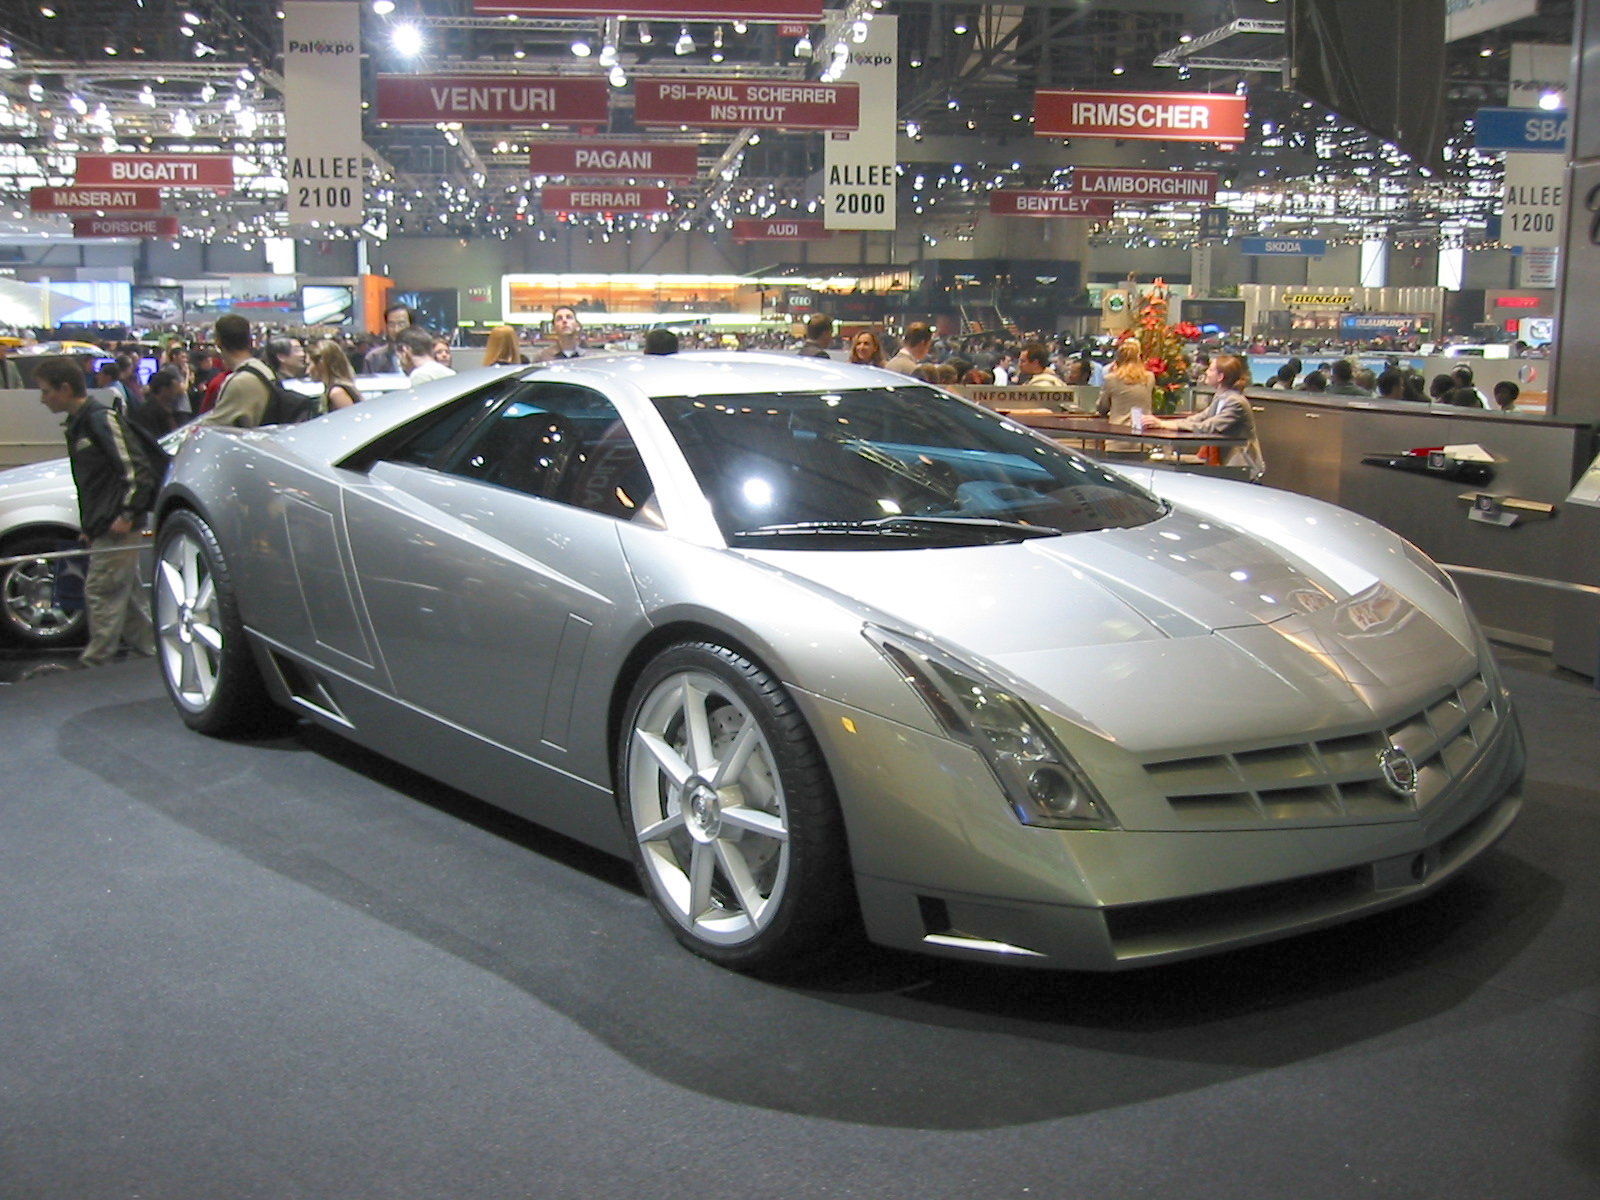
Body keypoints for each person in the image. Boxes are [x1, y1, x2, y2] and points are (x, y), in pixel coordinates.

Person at [34, 356, 157, 668]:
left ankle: (96, 663)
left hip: (116, 523)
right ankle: (150, 654)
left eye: (46, 391)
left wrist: (127, 514)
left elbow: (137, 471)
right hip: (107, 522)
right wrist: (90, 525)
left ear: (65, 389)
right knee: (125, 595)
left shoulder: (99, 420)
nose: (43, 399)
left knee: (102, 592)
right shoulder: (82, 423)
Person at [1146, 353, 1264, 480]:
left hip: (1241, 466)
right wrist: (1162, 423)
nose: (1206, 372)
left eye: (1211, 369)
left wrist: (1163, 424)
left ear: (1220, 377)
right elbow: (1199, 418)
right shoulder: (1221, 396)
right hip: (1224, 464)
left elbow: (1208, 426)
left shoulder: (1236, 402)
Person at [200, 314, 274, 428]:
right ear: (249, 340)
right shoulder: (263, 370)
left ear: (218, 342)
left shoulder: (239, 382)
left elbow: (212, 426)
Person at [1096, 338, 1154, 453]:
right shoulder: (1149, 377)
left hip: (1117, 438)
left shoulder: (1111, 378)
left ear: (1117, 359)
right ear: (1139, 358)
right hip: (1143, 437)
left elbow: (1102, 407)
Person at [309, 339, 361, 410]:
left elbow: (351, 416)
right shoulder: (333, 390)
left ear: (321, 364)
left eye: (309, 364)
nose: (307, 371)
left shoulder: (337, 393)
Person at [133, 368, 186, 437]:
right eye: (173, 388)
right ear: (163, 390)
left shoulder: (169, 407)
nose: (176, 392)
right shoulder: (147, 413)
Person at [363, 302, 415, 373]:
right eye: (391, 325)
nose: (396, 330)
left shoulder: (424, 355)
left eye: (401, 324)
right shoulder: (374, 358)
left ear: (411, 325)